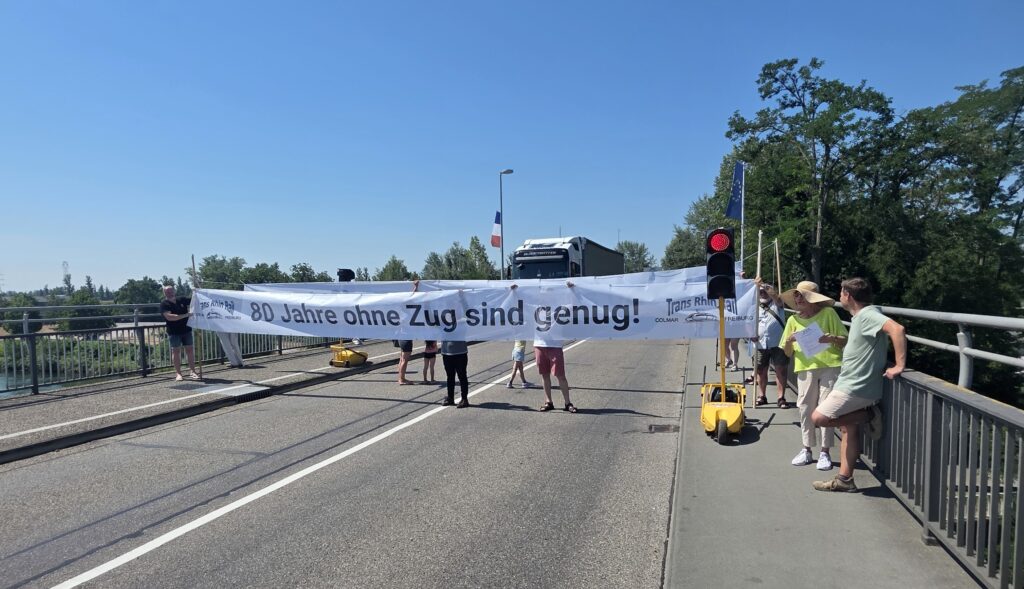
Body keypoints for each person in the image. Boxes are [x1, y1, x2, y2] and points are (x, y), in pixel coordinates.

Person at [811, 278, 906, 493]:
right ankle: (845, 479)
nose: (839, 297)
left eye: (841, 293)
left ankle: (869, 415)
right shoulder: (860, 317)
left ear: (849, 296)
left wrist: (899, 365)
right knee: (848, 429)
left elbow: (897, 329)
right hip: (854, 383)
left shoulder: (867, 315)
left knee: (819, 418)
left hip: (856, 386)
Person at [781, 281, 848, 471]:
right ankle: (806, 448)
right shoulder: (792, 321)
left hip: (830, 365)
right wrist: (789, 340)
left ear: (812, 299)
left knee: (827, 408)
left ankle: (825, 451)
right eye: (796, 295)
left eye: (801, 295)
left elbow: (845, 340)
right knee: (805, 407)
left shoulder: (828, 314)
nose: (797, 299)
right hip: (805, 367)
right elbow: (787, 352)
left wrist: (831, 339)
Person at [534, 281, 577, 413]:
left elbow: (574, 305)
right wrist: (513, 291)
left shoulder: (559, 307)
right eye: (544, 294)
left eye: (549, 294)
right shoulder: (535, 307)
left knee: (560, 375)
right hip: (539, 344)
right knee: (544, 375)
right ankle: (548, 402)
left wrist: (572, 290)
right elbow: (517, 305)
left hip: (554, 345)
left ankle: (568, 403)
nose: (546, 296)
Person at [753, 279, 789, 408]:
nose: (763, 293)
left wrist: (765, 286)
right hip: (760, 343)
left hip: (778, 342)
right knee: (761, 370)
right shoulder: (754, 305)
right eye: (760, 291)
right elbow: (747, 323)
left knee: (781, 369)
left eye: (765, 291)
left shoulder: (778, 304)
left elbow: (777, 298)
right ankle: (761, 395)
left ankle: (781, 397)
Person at [160, 285, 200, 381]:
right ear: (164, 293)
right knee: (176, 351)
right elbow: (170, 317)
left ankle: (193, 371)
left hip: (186, 329)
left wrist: (197, 290)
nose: (169, 293)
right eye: (167, 292)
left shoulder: (181, 299)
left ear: (174, 291)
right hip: (174, 331)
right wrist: (186, 315)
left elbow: (195, 299)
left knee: (190, 350)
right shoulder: (164, 304)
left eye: (171, 291)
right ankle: (178, 373)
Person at [440, 340, 470, 408]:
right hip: (446, 352)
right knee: (450, 376)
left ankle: (464, 399)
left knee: (462, 376)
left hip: (460, 352)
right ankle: (450, 397)